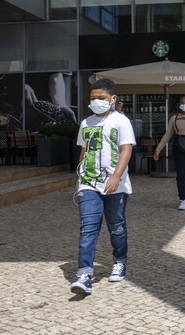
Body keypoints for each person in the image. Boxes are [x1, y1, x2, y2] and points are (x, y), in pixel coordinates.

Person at [70, 78, 136, 295]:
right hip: (89, 183)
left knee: (116, 226)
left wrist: (116, 176)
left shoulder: (121, 121)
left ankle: (119, 261)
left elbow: (126, 149)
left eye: (101, 98)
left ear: (112, 99)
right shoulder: (85, 123)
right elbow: (83, 151)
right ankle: (84, 274)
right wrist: (79, 176)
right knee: (88, 228)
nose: (96, 101)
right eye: (92, 98)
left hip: (114, 185)